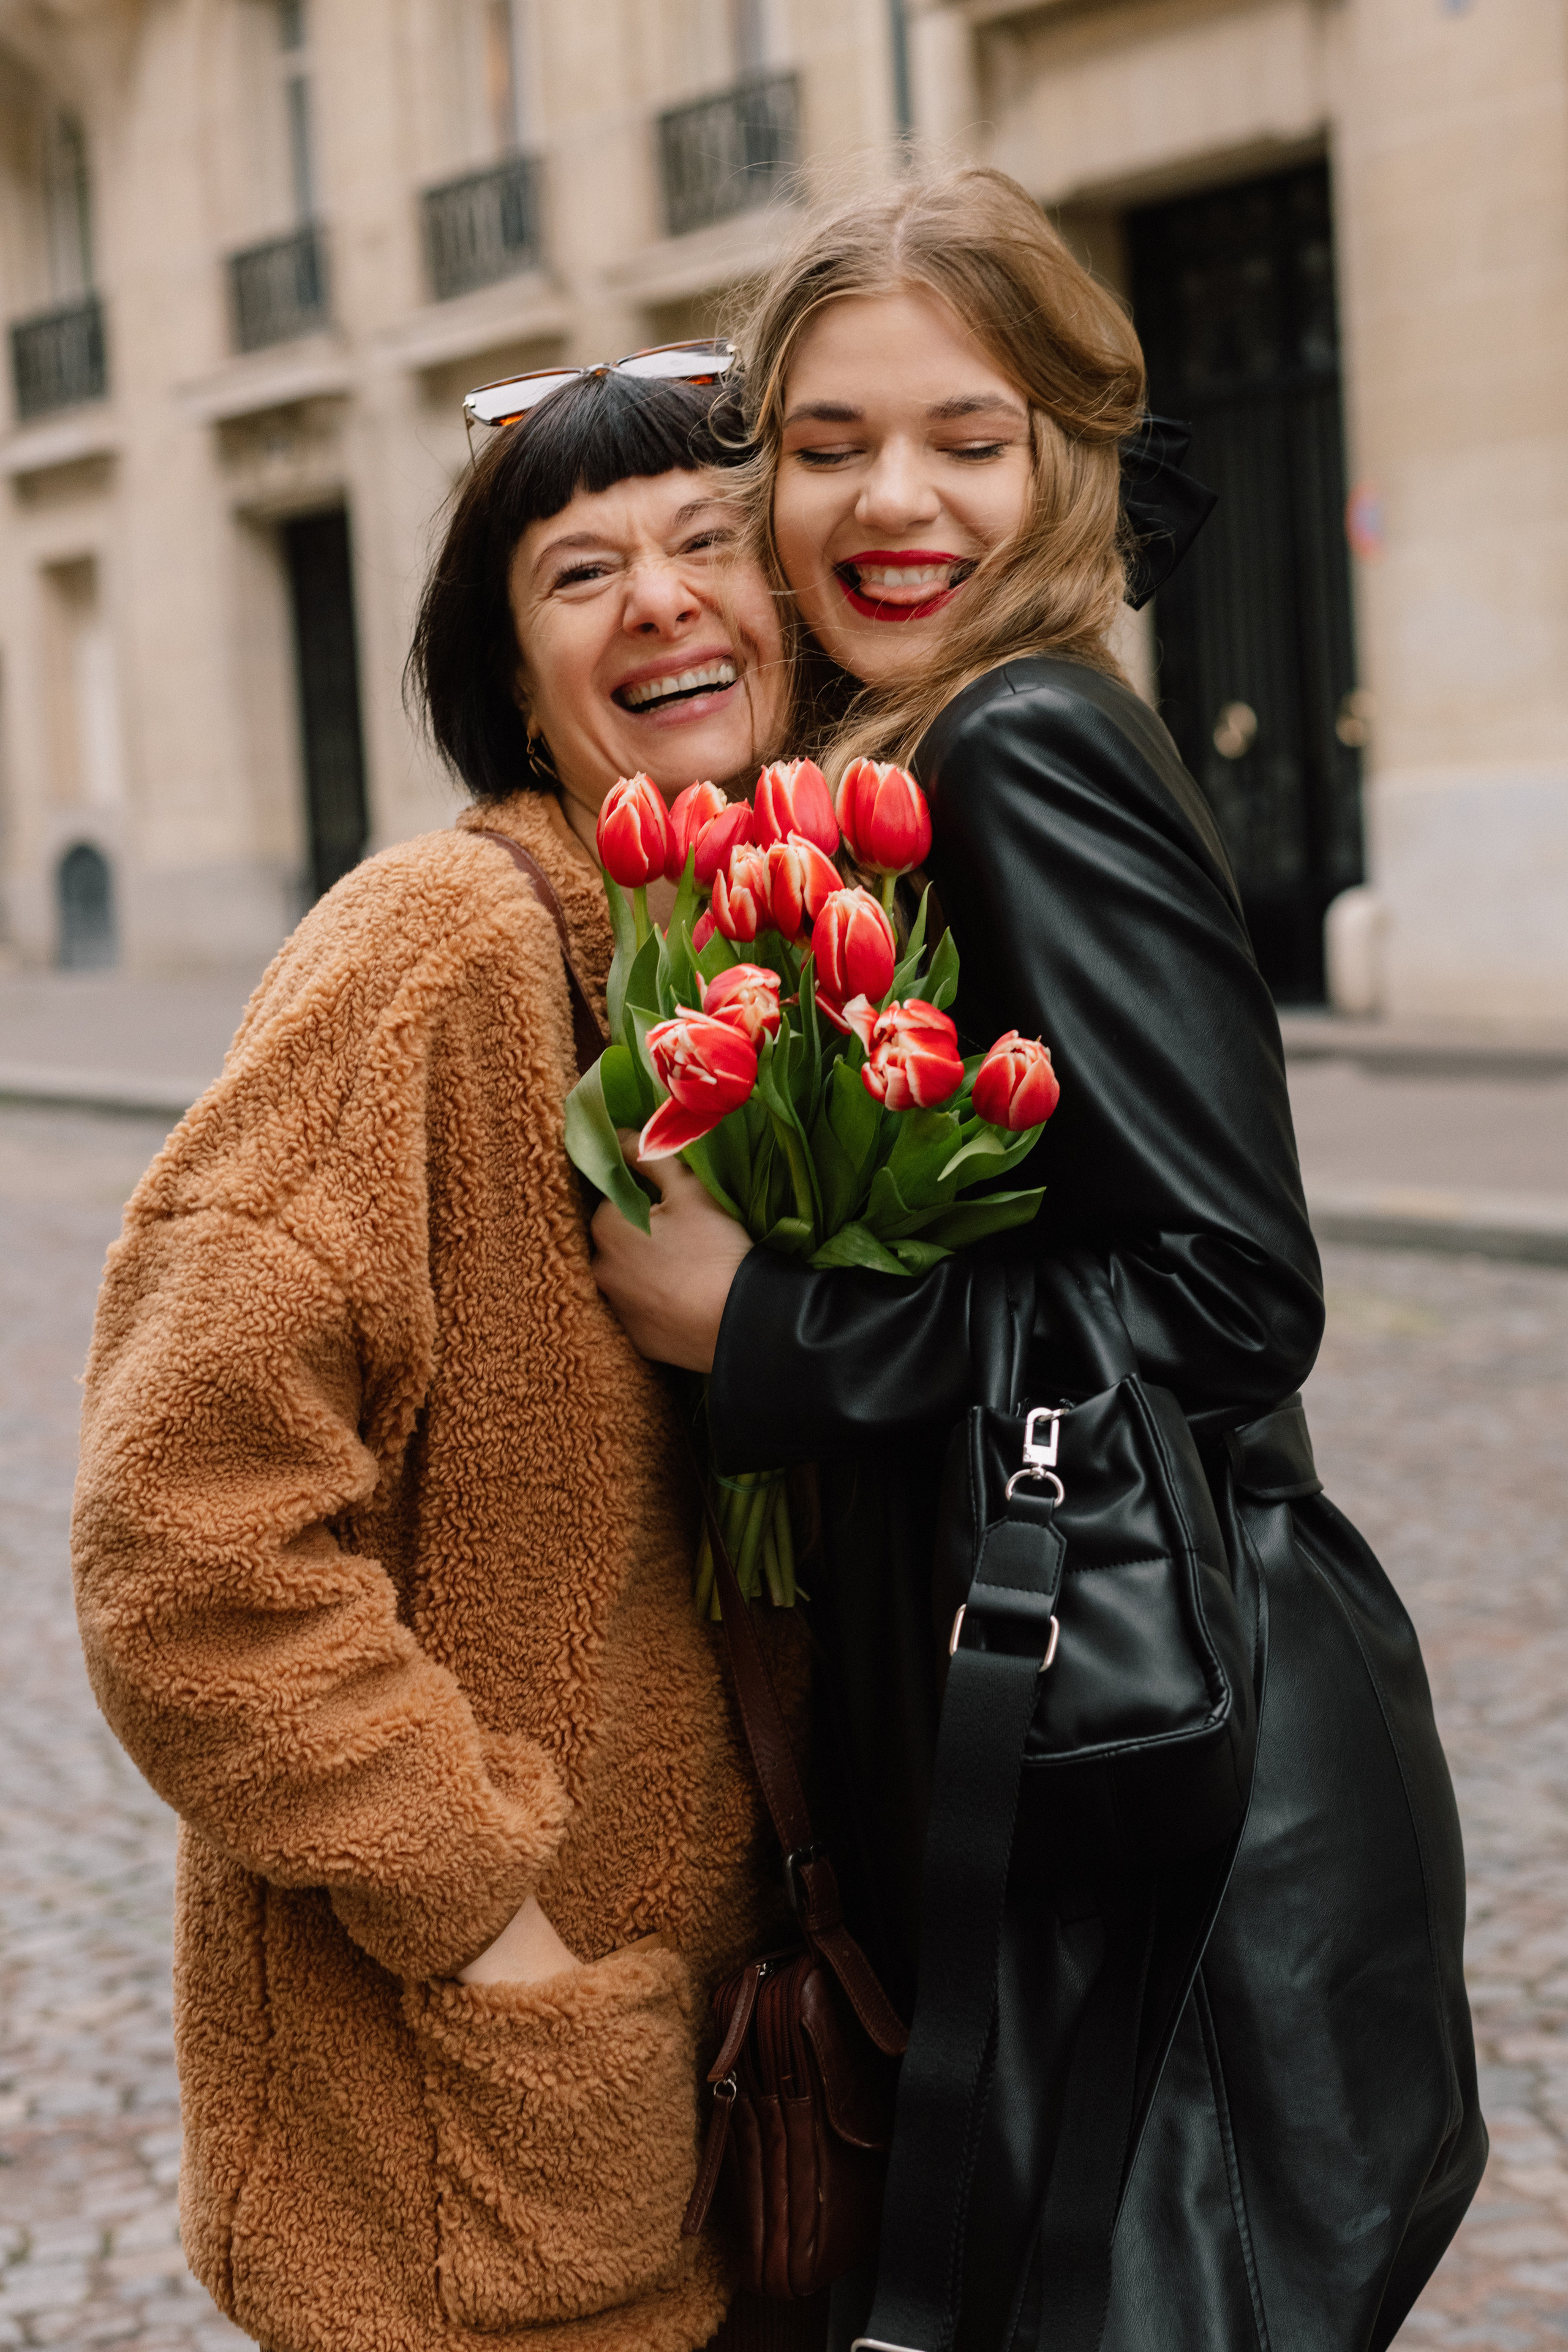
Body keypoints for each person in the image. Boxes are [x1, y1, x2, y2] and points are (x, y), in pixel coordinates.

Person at [589, 169, 1487, 2352]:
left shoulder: (1019, 742)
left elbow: (1231, 1287)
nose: (893, 501)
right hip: (1062, 1678)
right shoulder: (915, 742)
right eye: (824, 449)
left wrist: (777, 1326)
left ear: (1067, 459)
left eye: (967, 441)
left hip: (1136, 1720)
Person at [70, 367, 818, 2352]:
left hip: (742, 2100)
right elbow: (179, 1549)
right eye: (583, 569)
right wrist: (492, 1926)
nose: (657, 600)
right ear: (510, 666)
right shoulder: (433, 954)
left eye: (707, 542)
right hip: (470, 2139)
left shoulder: (798, 964)